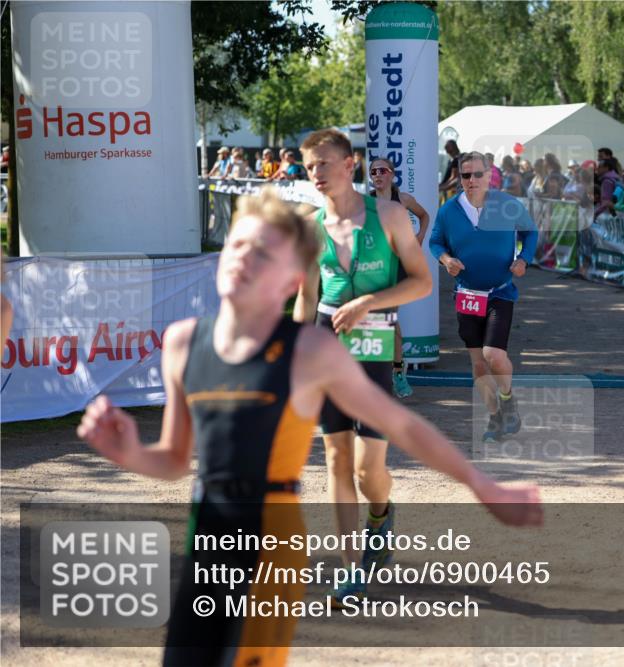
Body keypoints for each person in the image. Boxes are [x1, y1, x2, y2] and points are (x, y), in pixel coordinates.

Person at [78, 188, 542, 667]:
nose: (243, 259)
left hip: (271, 543)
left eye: (264, 254)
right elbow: (176, 459)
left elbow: (402, 426)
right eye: (238, 245)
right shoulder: (182, 342)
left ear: (294, 279)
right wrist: (128, 451)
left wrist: (483, 485)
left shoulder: (308, 352)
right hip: (207, 537)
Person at [292, 129, 432, 605]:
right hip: (328, 349)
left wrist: (370, 301)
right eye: (309, 166)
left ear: (350, 164)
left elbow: (422, 282)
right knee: (335, 459)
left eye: (324, 164)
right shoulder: (310, 228)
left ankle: (382, 511)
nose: (316, 174)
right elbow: (307, 297)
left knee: (369, 467)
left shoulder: (389, 216)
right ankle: (352, 569)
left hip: (374, 348)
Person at [429, 151, 538, 443]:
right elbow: (435, 241)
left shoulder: (506, 204)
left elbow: (530, 232)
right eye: (466, 175)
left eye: (478, 174)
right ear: (459, 178)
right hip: (467, 294)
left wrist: (523, 260)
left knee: (494, 356)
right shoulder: (448, 210)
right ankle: (496, 417)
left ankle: (508, 399)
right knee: (478, 364)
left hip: (500, 291)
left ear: (489, 175)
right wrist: (446, 260)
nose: (472, 180)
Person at [368, 156, 431, 398]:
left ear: (392, 174)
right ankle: (379, 372)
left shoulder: (403, 200)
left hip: (396, 267)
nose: (378, 175)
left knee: (390, 317)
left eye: (382, 170)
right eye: (374, 171)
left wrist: (420, 237)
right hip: (372, 266)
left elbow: (424, 216)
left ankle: (396, 373)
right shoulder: (366, 202)